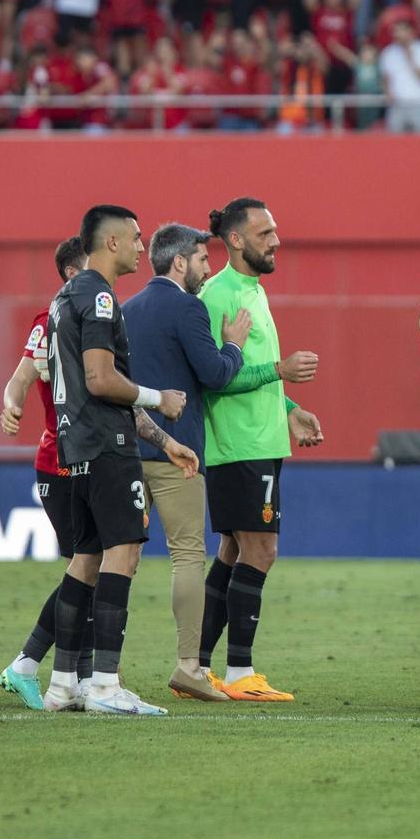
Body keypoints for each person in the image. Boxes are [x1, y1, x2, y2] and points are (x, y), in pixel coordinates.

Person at [44, 205, 193, 717]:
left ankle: (64, 683)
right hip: (107, 445)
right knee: (123, 553)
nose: (139, 246)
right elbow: (101, 379)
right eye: (134, 237)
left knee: (85, 559)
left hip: (75, 446)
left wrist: (165, 442)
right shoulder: (101, 295)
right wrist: (158, 398)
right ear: (110, 243)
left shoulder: (64, 297)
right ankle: (105, 684)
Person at [120, 223, 257, 702]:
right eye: (202, 259)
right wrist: (235, 344)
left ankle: (99, 670)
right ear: (179, 262)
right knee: (187, 555)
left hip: (126, 450)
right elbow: (215, 374)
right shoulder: (189, 307)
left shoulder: (125, 308)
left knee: (121, 557)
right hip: (174, 452)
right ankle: (188, 665)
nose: (206, 268)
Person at [197, 198, 323, 702]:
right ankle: (239, 671)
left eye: (275, 230)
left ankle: (198, 667)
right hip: (238, 445)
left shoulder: (253, 291)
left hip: (262, 441)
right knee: (262, 550)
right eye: (265, 232)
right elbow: (212, 377)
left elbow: (256, 370)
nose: (276, 239)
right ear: (236, 240)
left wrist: (289, 407)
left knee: (234, 548)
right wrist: (279, 371)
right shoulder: (217, 296)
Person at [0, 238, 96, 709]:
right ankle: (32, 662)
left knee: (88, 568)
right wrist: (11, 404)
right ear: (76, 273)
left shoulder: (73, 318)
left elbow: (19, 381)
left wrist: (12, 401)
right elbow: (19, 378)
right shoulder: (53, 320)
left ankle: (78, 675)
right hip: (63, 463)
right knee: (87, 566)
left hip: (72, 460)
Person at [378, 16, 420, 132]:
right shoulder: (388, 53)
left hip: (419, 103)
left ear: (410, 32)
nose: (396, 34)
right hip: (397, 105)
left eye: (400, 31)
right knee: (395, 145)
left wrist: (411, 60)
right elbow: (385, 79)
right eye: (395, 31)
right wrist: (387, 93)